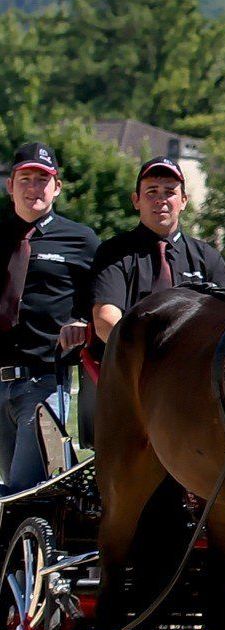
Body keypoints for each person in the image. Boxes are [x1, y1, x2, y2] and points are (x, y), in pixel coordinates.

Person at [0, 142, 98, 492]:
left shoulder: (81, 240)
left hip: (43, 380)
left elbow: (99, 300)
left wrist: (83, 322)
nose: (33, 188)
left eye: (42, 180)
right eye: (24, 179)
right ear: (9, 186)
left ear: (56, 188)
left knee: (27, 488)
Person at [91, 155, 225, 346]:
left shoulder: (208, 258)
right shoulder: (114, 252)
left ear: (183, 201)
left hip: (194, 366)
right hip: (133, 367)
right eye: (152, 191)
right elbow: (105, 319)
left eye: (169, 192)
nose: (161, 200)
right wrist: (146, 357)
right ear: (136, 200)